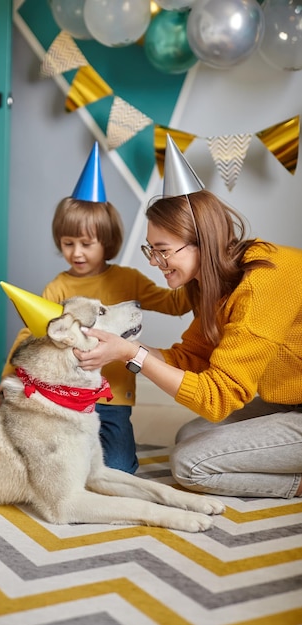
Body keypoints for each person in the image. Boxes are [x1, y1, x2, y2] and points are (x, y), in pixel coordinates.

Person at [74, 135, 302, 499]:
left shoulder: (263, 281)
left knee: (190, 464)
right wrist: (122, 347)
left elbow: (218, 397)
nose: (153, 262)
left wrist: (132, 355)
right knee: (190, 435)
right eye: (151, 250)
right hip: (288, 399)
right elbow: (191, 358)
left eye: (162, 251)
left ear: (201, 241)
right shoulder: (216, 281)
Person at [0, 141, 191, 474]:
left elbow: (174, 303)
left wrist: (194, 278)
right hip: (63, 396)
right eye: (68, 244)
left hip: (111, 399)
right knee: (61, 466)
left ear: (106, 241)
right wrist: (9, 377)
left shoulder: (128, 279)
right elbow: (31, 334)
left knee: (119, 469)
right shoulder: (58, 287)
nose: (76, 253)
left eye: (86, 243)